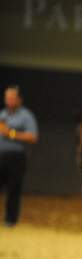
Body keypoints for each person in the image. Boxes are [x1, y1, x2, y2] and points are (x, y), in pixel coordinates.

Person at [0, 86, 38, 227]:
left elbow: (33, 137)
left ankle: (10, 221)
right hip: (0, 156)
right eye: (7, 97)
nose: (9, 101)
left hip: (16, 157)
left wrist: (11, 133)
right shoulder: (2, 115)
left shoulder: (26, 116)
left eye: (12, 98)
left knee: (13, 189)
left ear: (19, 100)